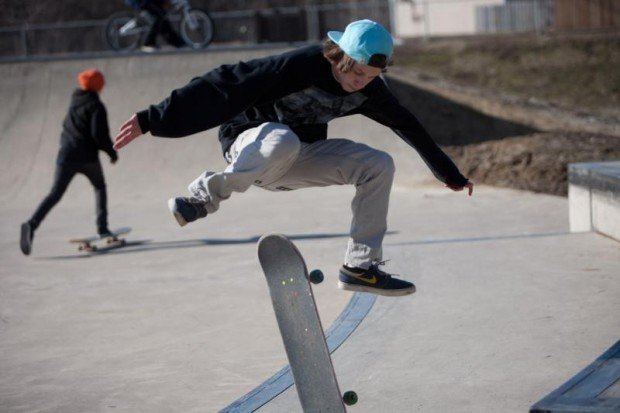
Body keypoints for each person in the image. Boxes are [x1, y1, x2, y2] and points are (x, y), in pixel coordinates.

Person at [113, 19, 474, 296]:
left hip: (293, 162)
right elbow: (225, 81)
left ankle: (360, 267)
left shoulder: (371, 91)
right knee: (281, 138)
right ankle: (202, 196)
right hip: (250, 144)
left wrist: (450, 174)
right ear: (341, 55)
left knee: (378, 164)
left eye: (371, 77)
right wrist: (153, 118)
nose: (361, 82)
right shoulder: (301, 64)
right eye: (358, 72)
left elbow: (408, 125)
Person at [20, 69, 118, 256]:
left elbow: (66, 125)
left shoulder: (74, 102)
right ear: (98, 85)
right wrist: (112, 153)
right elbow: (99, 135)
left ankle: (31, 224)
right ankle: (103, 227)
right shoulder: (96, 105)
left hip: (66, 155)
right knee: (99, 187)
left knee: (55, 193)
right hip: (87, 157)